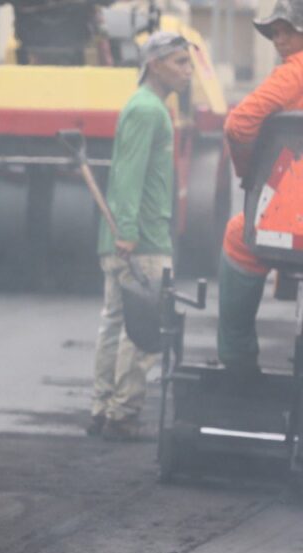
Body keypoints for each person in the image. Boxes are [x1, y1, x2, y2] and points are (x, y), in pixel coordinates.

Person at [88, 31, 193, 441]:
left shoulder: (146, 107)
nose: (187, 71)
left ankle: (104, 409)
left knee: (115, 324)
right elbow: (128, 175)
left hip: (127, 239)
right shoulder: (149, 110)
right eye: (179, 62)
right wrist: (129, 233)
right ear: (154, 65)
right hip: (143, 243)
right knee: (145, 332)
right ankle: (122, 413)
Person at [216, 0, 303, 376]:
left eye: (285, 30)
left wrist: (250, 176)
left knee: (241, 236)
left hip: (295, 221)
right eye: (274, 33)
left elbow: (240, 125)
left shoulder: (294, 73)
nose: (278, 40)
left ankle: (237, 360)